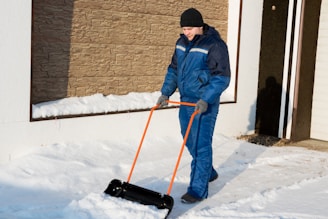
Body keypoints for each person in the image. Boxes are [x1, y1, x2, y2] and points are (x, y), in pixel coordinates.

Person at [157, 8, 231, 203]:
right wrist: (165, 92)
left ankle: (197, 190)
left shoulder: (214, 45)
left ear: (199, 26)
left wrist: (206, 99)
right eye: (184, 28)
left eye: (189, 28)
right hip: (185, 101)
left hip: (203, 103)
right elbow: (174, 69)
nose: (186, 32)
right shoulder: (181, 43)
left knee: (200, 145)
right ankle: (208, 171)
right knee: (189, 139)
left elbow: (222, 77)